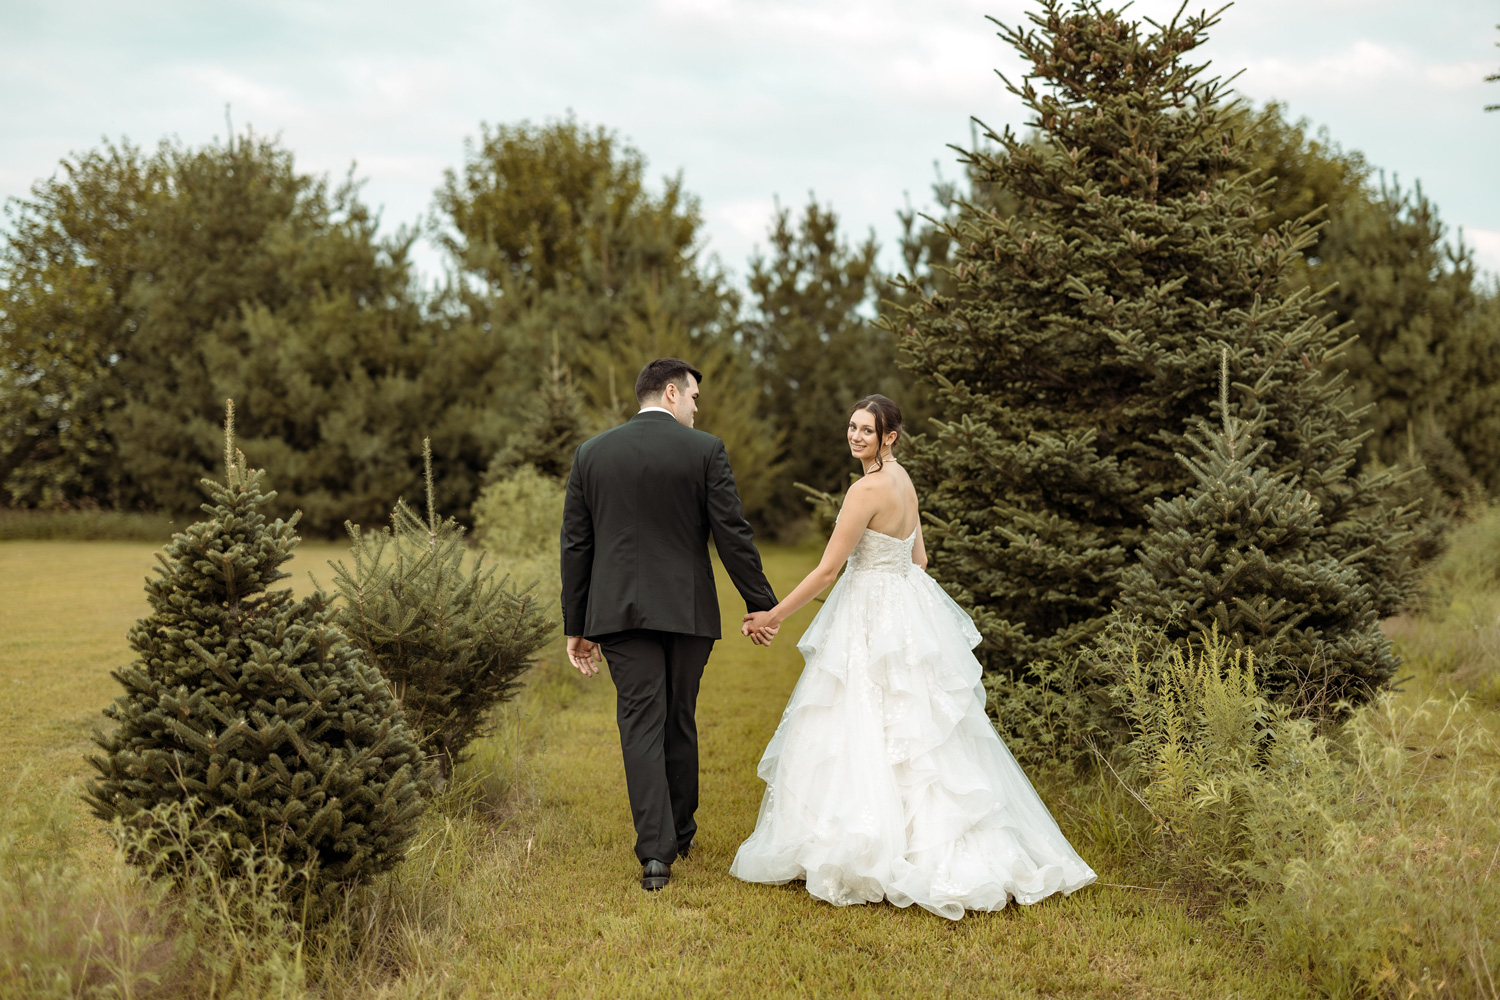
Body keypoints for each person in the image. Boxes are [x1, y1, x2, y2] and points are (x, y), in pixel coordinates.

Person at [731, 394, 1096, 919]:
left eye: (866, 430)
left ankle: (871, 845)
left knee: (861, 718)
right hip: (906, 611)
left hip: (872, 612)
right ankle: (926, 841)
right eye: (851, 427)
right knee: (919, 730)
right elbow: (920, 559)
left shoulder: (865, 490)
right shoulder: (903, 481)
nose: (855, 436)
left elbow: (827, 572)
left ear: (890, 437)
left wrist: (772, 616)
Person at [561, 357, 780, 892]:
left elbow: (576, 545)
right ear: (671, 393)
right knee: (678, 715)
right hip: (687, 610)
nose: (697, 407)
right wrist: (760, 602)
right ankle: (679, 831)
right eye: (695, 397)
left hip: (616, 612)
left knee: (640, 721)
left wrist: (577, 623)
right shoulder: (704, 450)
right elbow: (732, 531)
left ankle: (656, 854)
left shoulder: (591, 454)